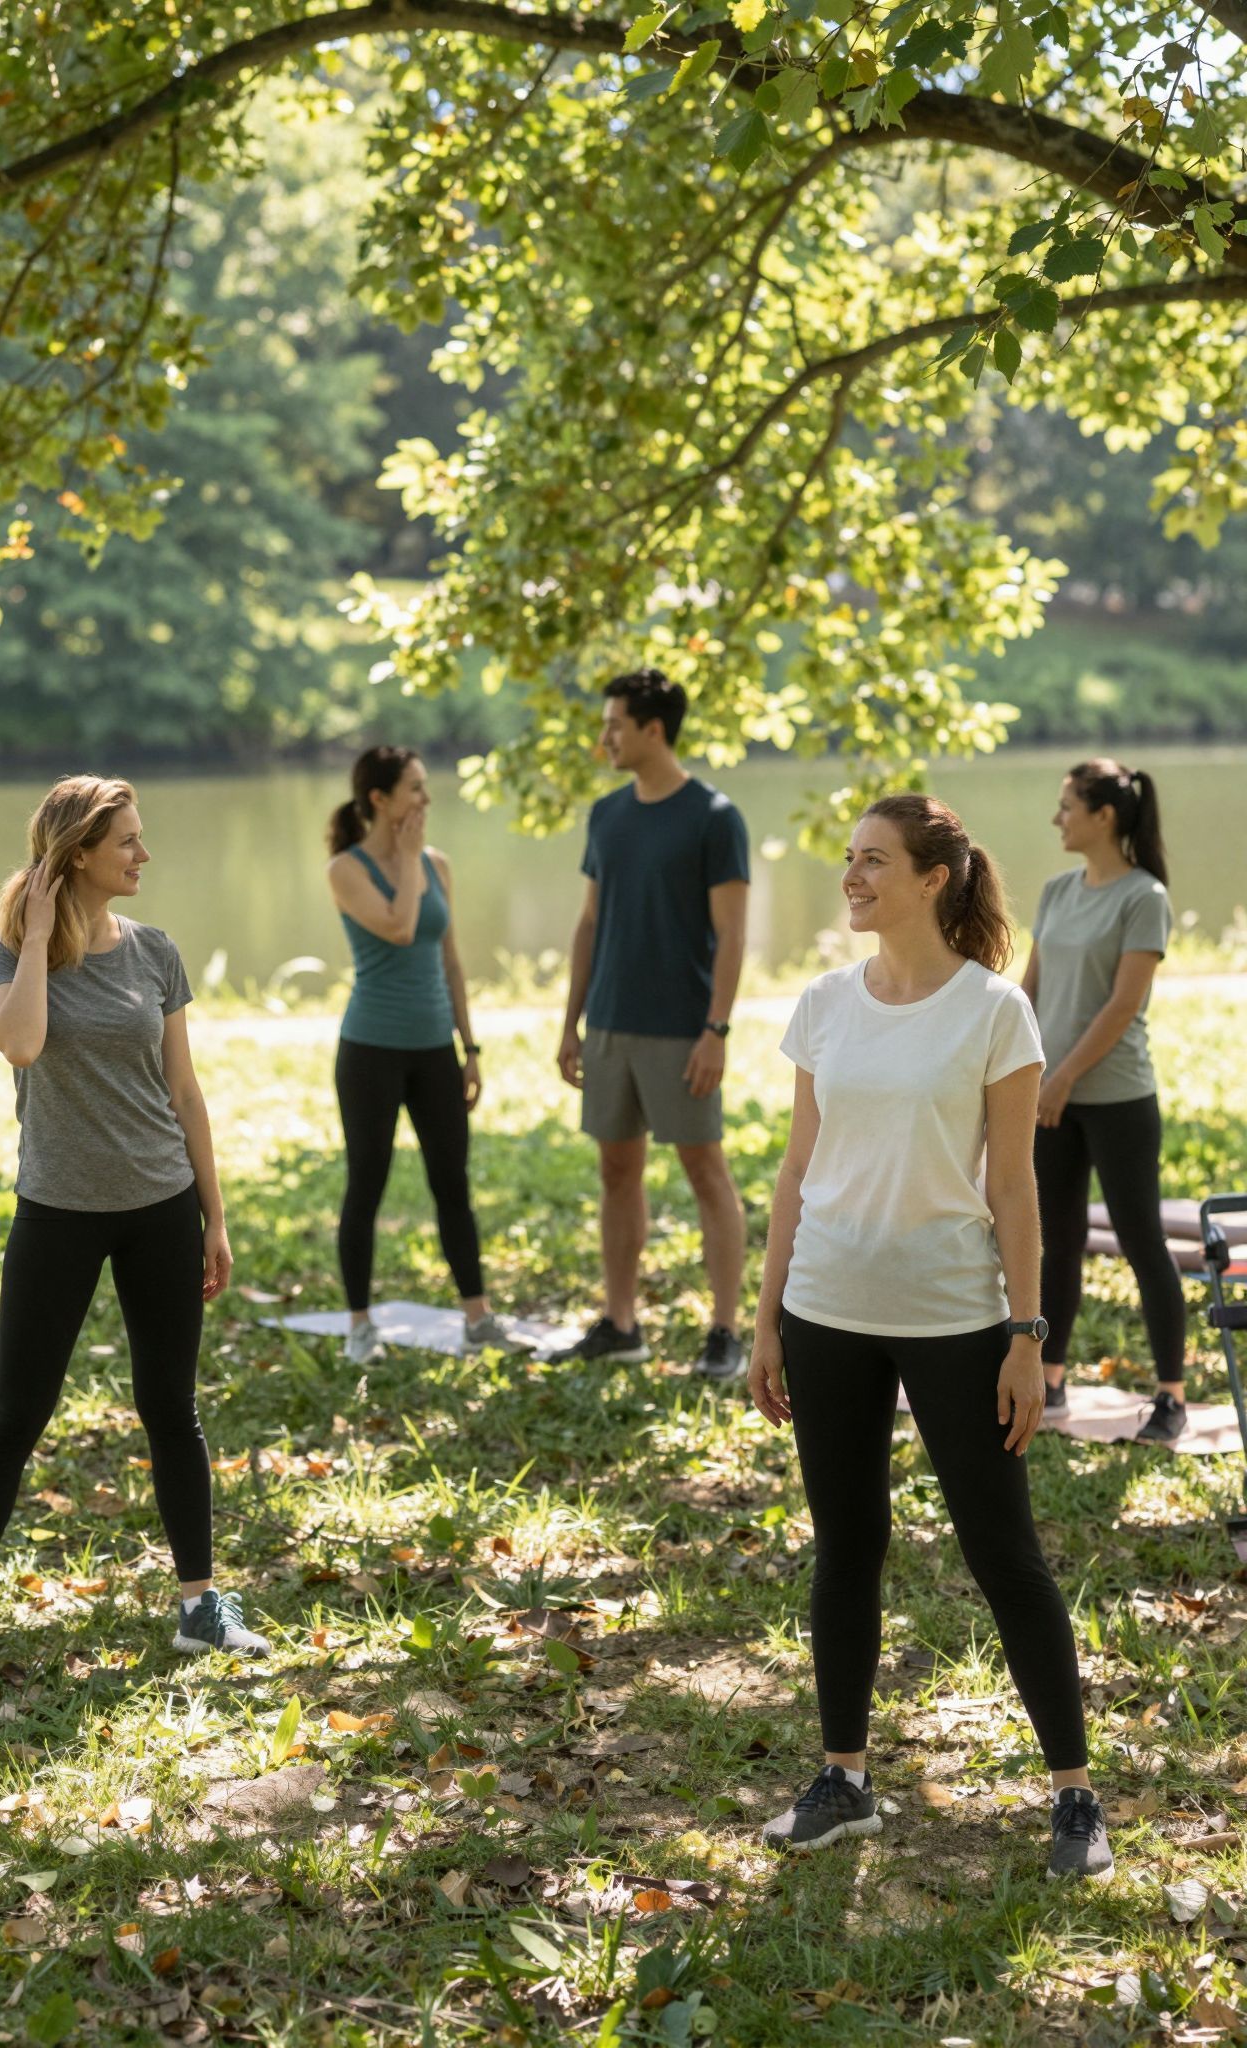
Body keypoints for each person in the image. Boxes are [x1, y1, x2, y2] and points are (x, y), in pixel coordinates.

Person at [747, 793, 1111, 1880]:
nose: (852, 876)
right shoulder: (823, 1002)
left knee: (1006, 1554)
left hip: (957, 1320)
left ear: (933, 877)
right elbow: (796, 1168)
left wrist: (1027, 1333)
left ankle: (1075, 1793)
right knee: (845, 1546)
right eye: (849, 859)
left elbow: (1015, 1186)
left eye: (873, 861)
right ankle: (845, 1777)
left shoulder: (996, 1011)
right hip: (826, 1311)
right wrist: (765, 1317)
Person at [0, 776, 267, 1667]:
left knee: (170, 1409)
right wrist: (36, 937)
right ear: (78, 856)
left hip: (160, 1204)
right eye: (128, 843)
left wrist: (213, 1216)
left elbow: (184, 1090)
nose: (144, 855)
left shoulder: (157, 952)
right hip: (59, 1211)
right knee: (17, 1412)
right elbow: (20, 1043)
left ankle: (199, 1605)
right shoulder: (8, 954)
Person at [554, 670, 751, 1380]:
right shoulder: (606, 814)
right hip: (609, 1025)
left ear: (653, 730)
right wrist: (572, 1022)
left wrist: (716, 1031)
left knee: (705, 1171)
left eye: (614, 725)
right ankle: (622, 1324)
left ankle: (726, 1332)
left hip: (682, 1031)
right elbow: (588, 923)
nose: (604, 736)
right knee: (616, 1171)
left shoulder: (714, 816)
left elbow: (732, 936)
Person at [325, 746, 520, 1366]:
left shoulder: (438, 863)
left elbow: (450, 959)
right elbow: (401, 927)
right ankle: (360, 1324)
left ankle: (477, 1317)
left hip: (434, 1048)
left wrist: (470, 1046)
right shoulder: (346, 870)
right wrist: (407, 860)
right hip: (371, 1050)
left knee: (452, 1184)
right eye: (414, 789)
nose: (425, 801)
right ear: (379, 799)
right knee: (367, 1184)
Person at [1023, 760, 1186, 1443]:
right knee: (1054, 1244)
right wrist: (1024, 1070)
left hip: (1116, 1097)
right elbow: (1027, 990)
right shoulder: (1058, 891)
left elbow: (1124, 1004)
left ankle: (1171, 1394)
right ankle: (1050, 1379)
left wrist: (1063, 1080)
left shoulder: (1143, 896)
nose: (1057, 818)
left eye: (1067, 806)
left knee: (1140, 1238)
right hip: (1049, 1095)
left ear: (1104, 816)